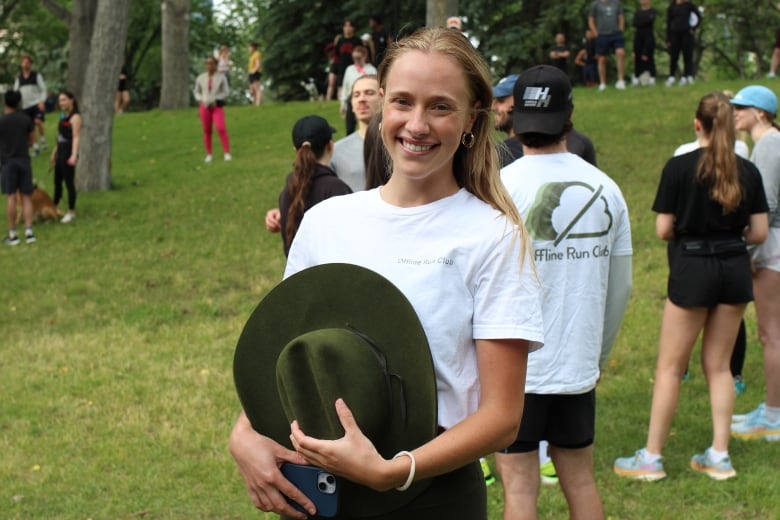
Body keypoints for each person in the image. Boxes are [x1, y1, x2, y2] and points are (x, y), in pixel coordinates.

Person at [229, 26, 545, 520]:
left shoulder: (492, 236)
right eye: (402, 102)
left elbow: (503, 418)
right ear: (380, 109)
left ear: (471, 120)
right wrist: (243, 433)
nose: (416, 124)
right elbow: (289, 353)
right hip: (321, 494)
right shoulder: (326, 222)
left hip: (431, 498)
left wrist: (394, 471)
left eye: (440, 106)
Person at [496, 65, 633, 519]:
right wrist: (597, 357)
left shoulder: (496, 191)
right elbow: (620, 287)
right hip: (576, 362)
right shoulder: (606, 190)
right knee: (579, 478)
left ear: (516, 118)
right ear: (569, 114)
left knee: (518, 488)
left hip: (512, 365)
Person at [614, 92, 769, 481]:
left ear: (697, 123)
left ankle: (651, 458)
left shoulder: (680, 167)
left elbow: (664, 229)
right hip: (734, 268)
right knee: (719, 367)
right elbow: (760, 231)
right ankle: (719, 455)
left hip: (693, 267)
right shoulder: (747, 170)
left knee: (669, 368)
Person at [730, 85, 780, 441]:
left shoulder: (768, 144)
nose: (734, 113)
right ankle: (771, 407)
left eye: (741, 107)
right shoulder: (770, 142)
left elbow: (769, 205)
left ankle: (774, 415)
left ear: (760, 112)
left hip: (773, 248)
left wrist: (747, 251)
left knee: (770, 333)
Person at [278, 115, 352, 256]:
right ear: (330, 145)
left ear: (295, 151)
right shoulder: (336, 188)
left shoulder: (288, 189)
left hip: (298, 276)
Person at [493, 74, 598, 169]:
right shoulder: (578, 140)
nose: (493, 107)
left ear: (518, 101)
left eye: (501, 101)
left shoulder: (577, 143)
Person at [332, 74, 381, 191]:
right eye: (356, 95)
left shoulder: (401, 146)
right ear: (352, 105)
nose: (362, 99)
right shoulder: (336, 151)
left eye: (369, 93)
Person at [0, 90, 36, 245]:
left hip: (8, 162)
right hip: (24, 160)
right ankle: (29, 231)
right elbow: (32, 140)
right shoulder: (25, 119)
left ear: (5, 102)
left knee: (11, 197)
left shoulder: (2, 120)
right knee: (26, 196)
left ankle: (13, 233)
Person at [49, 90, 82, 224]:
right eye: (60, 100)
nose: (61, 103)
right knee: (57, 182)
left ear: (71, 100)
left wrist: (74, 155)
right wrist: (54, 152)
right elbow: (60, 136)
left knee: (69, 182)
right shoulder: (63, 116)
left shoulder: (75, 117)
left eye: (64, 100)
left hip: (69, 151)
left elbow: (76, 137)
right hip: (61, 150)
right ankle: (53, 207)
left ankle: (71, 211)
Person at [193, 56, 231, 163]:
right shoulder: (201, 78)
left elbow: (226, 91)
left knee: (221, 128)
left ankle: (227, 152)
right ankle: (209, 154)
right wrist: (200, 99)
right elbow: (196, 91)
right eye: (208, 63)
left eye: (212, 63)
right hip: (204, 106)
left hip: (216, 106)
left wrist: (218, 98)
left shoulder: (221, 77)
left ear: (216, 65)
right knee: (207, 130)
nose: (210, 65)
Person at [13, 54, 47, 155]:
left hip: (36, 104)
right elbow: (15, 92)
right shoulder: (19, 78)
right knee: (30, 127)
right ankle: (36, 148)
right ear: (21, 64)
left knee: (37, 121)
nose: (25, 64)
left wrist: (41, 101)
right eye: (23, 62)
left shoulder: (36, 75)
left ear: (31, 64)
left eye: (27, 62)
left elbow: (43, 90)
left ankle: (43, 139)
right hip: (25, 106)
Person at [588, 0, 627, 91]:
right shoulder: (595, 4)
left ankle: (620, 80)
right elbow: (591, 19)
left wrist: (621, 30)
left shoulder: (616, 3)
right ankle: (602, 83)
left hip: (615, 33)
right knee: (602, 58)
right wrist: (595, 32)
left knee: (620, 52)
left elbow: (621, 17)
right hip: (602, 34)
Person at [339, 45, 377, 136]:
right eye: (354, 58)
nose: (356, 60)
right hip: (352, 100)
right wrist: (343, 104)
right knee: (350, 127)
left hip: (368, 101)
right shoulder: (350, 69)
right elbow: (345, 87)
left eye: (358, 58)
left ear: (365, 57)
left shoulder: (371, 70)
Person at [665, 0, 701, 87]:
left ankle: (687, 75)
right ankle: (672, 76)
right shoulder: (672, 7)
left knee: (687, 55)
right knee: (674, 56)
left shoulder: (690, 5)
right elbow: (668, 23)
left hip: (686, 34)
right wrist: (668, 38)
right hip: (674, 34)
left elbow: (698, 17)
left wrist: (693, 28)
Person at [334, 20, 363, 102]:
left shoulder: (357, 40)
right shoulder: (340, 40)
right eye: (345, 26)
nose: (347, 28)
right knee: (340, 85)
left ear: (353, 28)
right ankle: (340, 101)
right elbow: (336, 54)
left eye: (349, 26)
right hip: (342, 66)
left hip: (354, 66)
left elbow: (362, 53)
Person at [631, 0, 657, 86]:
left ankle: (652, 77)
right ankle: (636, 77)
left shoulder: (652, 11)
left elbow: (649, 20)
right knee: (637, 55)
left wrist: (642, 22)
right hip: (638, 36)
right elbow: (635, 23)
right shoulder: (637, 13)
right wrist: (643, 21)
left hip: (648, 35)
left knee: (649, 56)